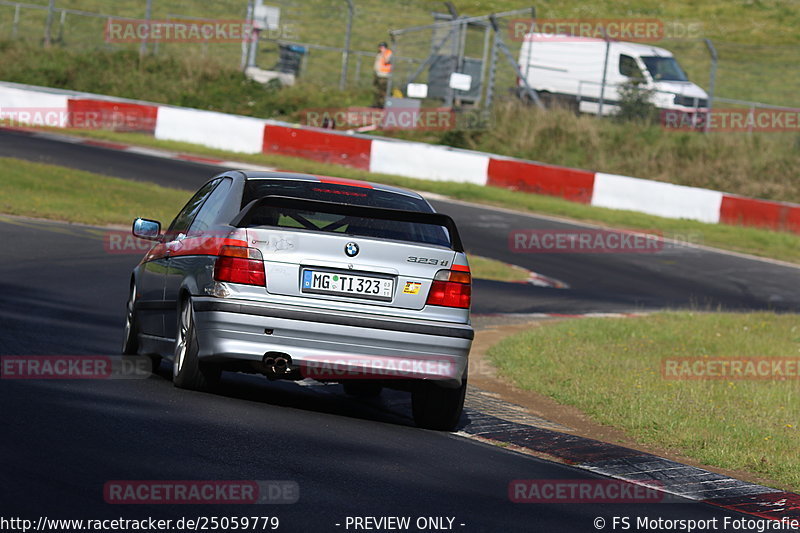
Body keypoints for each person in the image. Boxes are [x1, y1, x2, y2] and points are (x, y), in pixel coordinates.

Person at [373, 42, 393, 108]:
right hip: (378, 74)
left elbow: (387, 61)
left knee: (383, 91)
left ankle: (383, 105)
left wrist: (383, 53)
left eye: (381, 47)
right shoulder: (379, 54)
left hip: (384, 75)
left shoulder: (388, 53)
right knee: (377, 91)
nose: (380, 49)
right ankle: (377, 104)